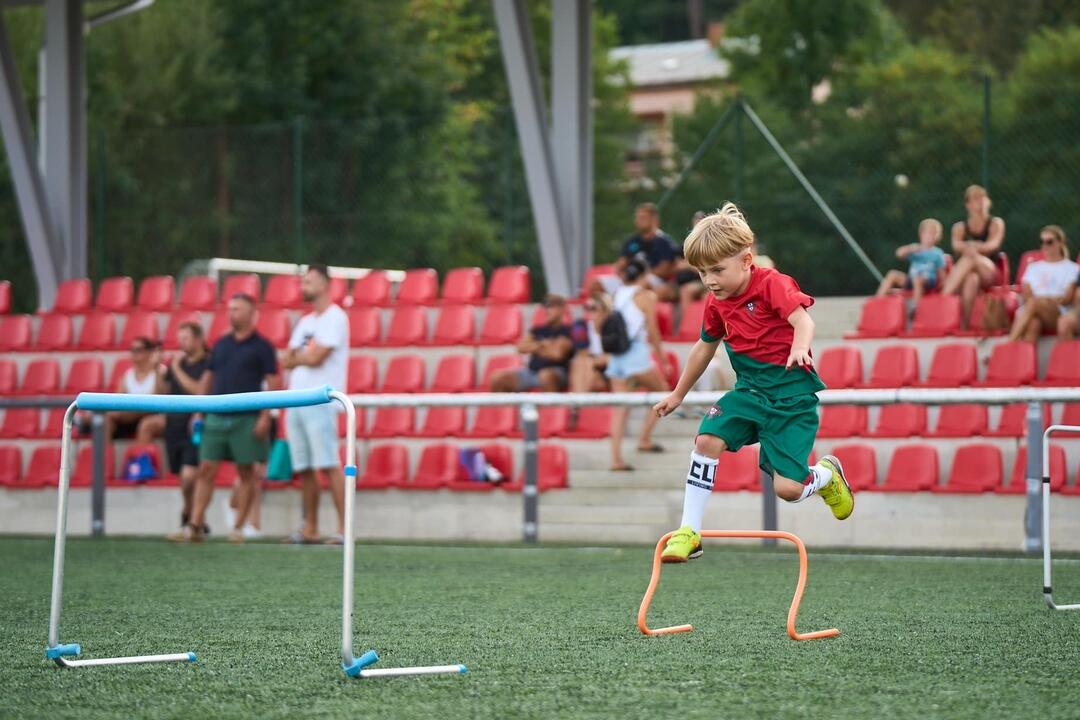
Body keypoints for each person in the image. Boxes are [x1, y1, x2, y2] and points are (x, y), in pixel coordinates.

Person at [651, 203, 853, 563]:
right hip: (749, 393)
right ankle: (689, 531)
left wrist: (800, 347)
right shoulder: (716, 302)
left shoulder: (772, 284)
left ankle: (825, 476)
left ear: (746, 260)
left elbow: (803, 322)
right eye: (701, 273)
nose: (709, 280)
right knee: (706, 440)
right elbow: (703, 348)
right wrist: (678, 394)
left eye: (716, 270)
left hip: (792, 398)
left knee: (789, 489)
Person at [170, 293, 280, 543]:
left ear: (252, 312)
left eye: (237, 309)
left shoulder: (263, 347)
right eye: (230, 309)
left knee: (246, 472)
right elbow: (208, 378)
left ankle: (239, 527)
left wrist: (266, 416)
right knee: (206, 468)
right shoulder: (221, 344)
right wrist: (198, 409)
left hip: (247, 418)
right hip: (216, 416)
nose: (232, 314)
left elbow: (273, 383)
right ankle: (196, 523)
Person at [281, 263, 349, 544]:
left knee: (329, 463)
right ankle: (311, 527)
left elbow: (316, 357)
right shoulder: (306, 321)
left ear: (324, 284)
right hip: (296, 400)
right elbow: (288, 358)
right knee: (305, 467)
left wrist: (301, 356)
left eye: (308, 281)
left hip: (321, 400)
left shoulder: (336, 317)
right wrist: (302, 356)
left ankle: (346, 528)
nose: (303, 287)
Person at [608, 258, 671, 471]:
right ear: (644, 276)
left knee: (620, 409)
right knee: (663, 393)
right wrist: (663, 360)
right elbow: (652, 331)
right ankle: (644, 438)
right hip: (635, 353)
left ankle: (616, 459)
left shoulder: (617, 295)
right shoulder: (644, 296)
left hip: (616, 356)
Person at [156, 321, 210, 534]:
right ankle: (196, 519)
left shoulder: (208, 363)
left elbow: (198, 390)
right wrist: (158, 371)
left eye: (186, 338)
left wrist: (176, 368)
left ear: (198, 339)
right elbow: (162, 392)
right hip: (174, 426)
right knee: (183, 476)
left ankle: (191, 515)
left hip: (194, 425)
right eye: (180, 338)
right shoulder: (175, 365)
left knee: (190, 475)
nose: (182, 343)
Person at [941, 185, 1006, 328]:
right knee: (972, 279)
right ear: (968, 205)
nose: (981, 201)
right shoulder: (959, 227)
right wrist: (976, 246)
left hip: (991, 272)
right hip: (970, 273)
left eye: (983, 197)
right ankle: (965, 325)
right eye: (976, 198)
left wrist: (971, 246)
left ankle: (943, 298)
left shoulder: (995, 223)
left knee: (971, 257)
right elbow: (956, 246)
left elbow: (992, 245)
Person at [490, 294, 574, 392]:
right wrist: (543, 345)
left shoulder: (568, 330)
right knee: (497, 378)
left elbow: (557, 354)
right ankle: (506, 407)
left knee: (545, 376)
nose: (547, 310)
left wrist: (534, 346)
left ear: (562, 309)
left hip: (556, 372)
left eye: (551, 306)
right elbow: (521, 347)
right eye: (546, 306)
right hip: (531, 372)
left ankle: (551, 407)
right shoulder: (538, 329)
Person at [1007, 225, 1077, 342]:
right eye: (1042, 241)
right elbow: (1027, 294)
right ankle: (1025, 359)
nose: (1045, 246)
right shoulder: (1033, 268)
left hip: (1058, 313)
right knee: (1033, 324)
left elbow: (1066, 299)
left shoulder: (1072, 268)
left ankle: (1009, 344)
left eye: (1049, 242)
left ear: (1060, 243)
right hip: (1034, 310)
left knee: (1034, 303)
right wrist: (1046, 300)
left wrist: (1043, 301)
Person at [104, 337, 163, 445]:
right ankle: (104, 459)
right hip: (128, 418)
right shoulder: (128, 375)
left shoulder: (160, 371)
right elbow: (117, 399)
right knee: (106, 419)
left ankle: (139, 460)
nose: (134, 353)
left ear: (149, 352)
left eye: (138, 350)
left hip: (152, 414)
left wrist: (156, 367)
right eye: (133, 350)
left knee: (144, 424)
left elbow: (159, 397)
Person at [875, 218, 947, 305]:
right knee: (892, 274)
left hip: (928, 280)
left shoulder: (937, 253)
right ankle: (877, 302)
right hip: (911, 279)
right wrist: (910, 249)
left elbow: (942, 274)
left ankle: (915, 308)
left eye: (933, 233)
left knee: (918, 279)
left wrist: (942, 286)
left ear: (937, 236)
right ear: (921, 235)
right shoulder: (915, 249)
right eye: (927, 233)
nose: (929, 236)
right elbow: (899, 253)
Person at [568, 292, 611, 394]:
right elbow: (581, 353)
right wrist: (597, 360)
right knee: (580, 362)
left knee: (585, 363)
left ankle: (576, 404)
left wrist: (599, 360)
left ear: (605, 310)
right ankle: (578, 401)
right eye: (587, 308)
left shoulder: (614, 327)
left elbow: (613, 357)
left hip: (611, 371)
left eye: (593, 308)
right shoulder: (581, 325)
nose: (589, 311)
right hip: (592, 369)